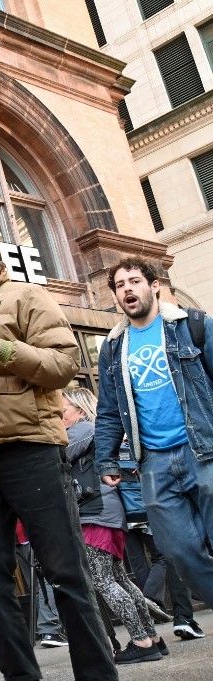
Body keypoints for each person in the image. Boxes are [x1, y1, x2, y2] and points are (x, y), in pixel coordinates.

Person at [0, 222, 116, 681]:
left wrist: (2, 347)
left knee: (65, 571)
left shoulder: (24, 296)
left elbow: (64, 365)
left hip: (30, 448)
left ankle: (97, 674)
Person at [94, 256, 213, 611]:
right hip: (154, 464)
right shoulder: (113, 347)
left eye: (134, 281)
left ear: (153, 286)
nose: (127, 289)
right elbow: (109, 410)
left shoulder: (191, 325)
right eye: (119, 285)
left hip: (203, 450)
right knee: (178, 551)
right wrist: (106, 457)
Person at [63, 387, 166, 664]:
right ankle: (152, 638)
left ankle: (141, 642)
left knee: (103, 580)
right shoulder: (95, 432)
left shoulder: (82, 430)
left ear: (80, 411)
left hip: (95, 512)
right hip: (109, 513)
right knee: (119, 579)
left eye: (63, 411)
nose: (59, 416)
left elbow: (55, 456)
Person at [13, 521, 67, 648]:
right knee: (48, 581)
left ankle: (48, 629)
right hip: (31, 532)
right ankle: (49, 630)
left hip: (16, 537)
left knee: (36, 585)